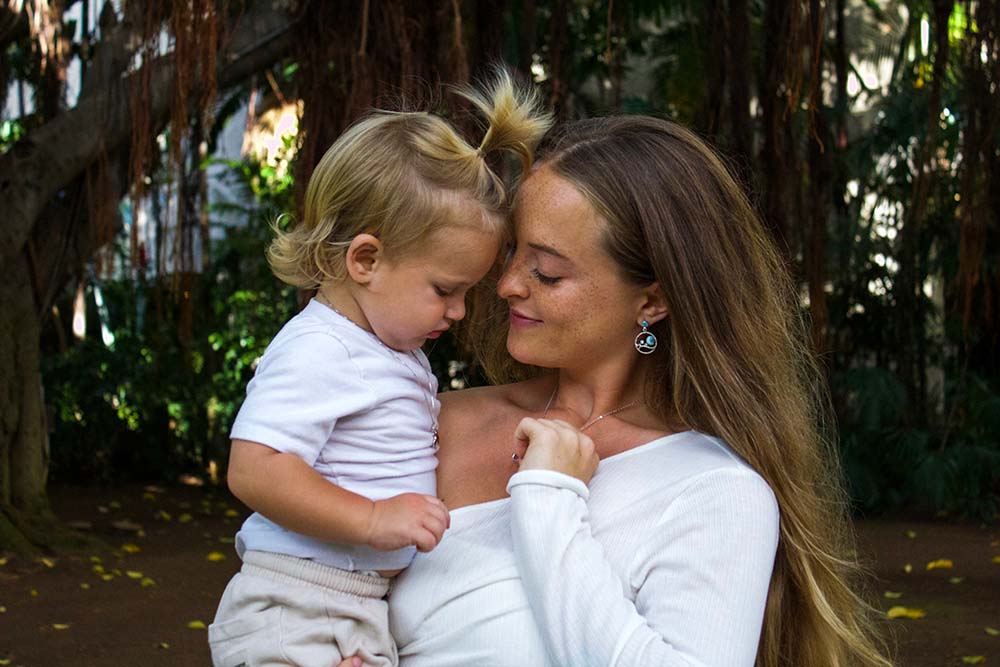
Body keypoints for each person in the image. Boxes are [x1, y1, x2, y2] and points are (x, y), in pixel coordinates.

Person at [381, 115, 892, 666]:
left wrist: (550, 500)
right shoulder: (431, 419)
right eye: (511, 254)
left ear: (652, 300)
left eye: (547, 273)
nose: (506, 285)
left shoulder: (714, 492)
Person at [208, 72, 553, 667]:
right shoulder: (321, 348)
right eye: (446, 289)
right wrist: (370, 519)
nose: (460, 311)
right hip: (296, 602)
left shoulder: (388, 351)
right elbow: (255, 468)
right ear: (366, 259)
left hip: (356, 606)